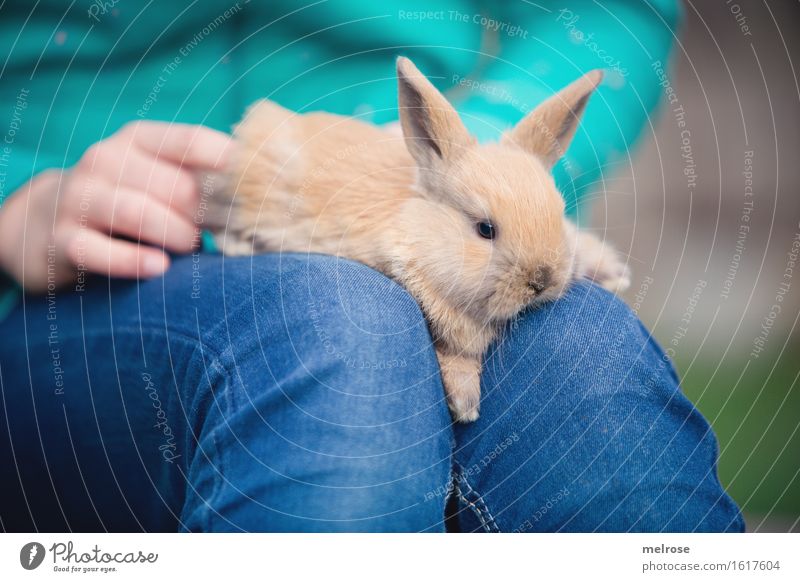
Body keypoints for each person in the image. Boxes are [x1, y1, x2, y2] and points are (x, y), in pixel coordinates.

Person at [0, 1, 743, 532]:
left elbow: (609, 13)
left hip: (422, 174)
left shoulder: (448, 175)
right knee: (340, 331)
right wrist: (15, 195)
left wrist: (478, 163)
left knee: (583, 350)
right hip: (66, 283)